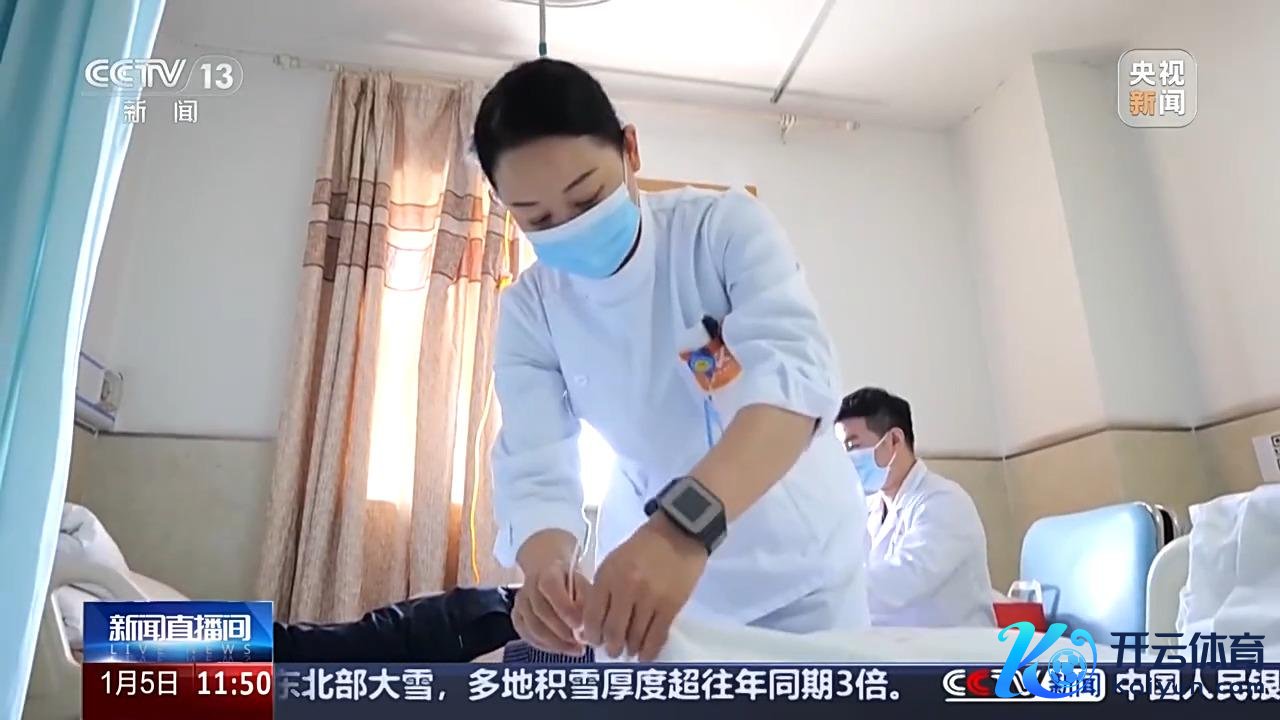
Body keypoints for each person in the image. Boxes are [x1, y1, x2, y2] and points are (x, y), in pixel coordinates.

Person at [473, 58, 868, 662]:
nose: (570, 229)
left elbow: (794, 389)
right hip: (656, 585)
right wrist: (546, 567)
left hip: (800, 572)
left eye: (587, 197)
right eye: (539, 219)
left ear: (630, 150)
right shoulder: (533, 310)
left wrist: (683, 531)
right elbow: (535, 461)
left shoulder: (720, 230)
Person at [837, 387, 996, 628]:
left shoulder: (944, 501)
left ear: (894, 440)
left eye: (852, 446)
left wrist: (827, 593)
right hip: (899, 641)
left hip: (956, 645)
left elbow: (900, 582)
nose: (846, 459)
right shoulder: (868, 508)